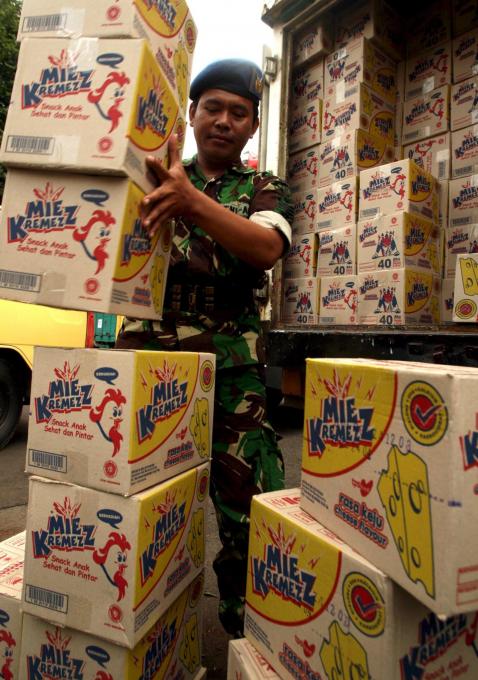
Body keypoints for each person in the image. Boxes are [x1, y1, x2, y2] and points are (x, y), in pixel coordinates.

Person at [116, 58, 294, 636]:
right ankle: (139, 635)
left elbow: (265, 248)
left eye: (238, 113)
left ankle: (249, 640)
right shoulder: (149, 173)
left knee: (252, 514)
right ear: (191, 114)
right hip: (151, 357)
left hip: (232, 372)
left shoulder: (264, 188)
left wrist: (190, 201)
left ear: (253, 126)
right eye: (212, 108)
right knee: (132, 506)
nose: (223, 121)